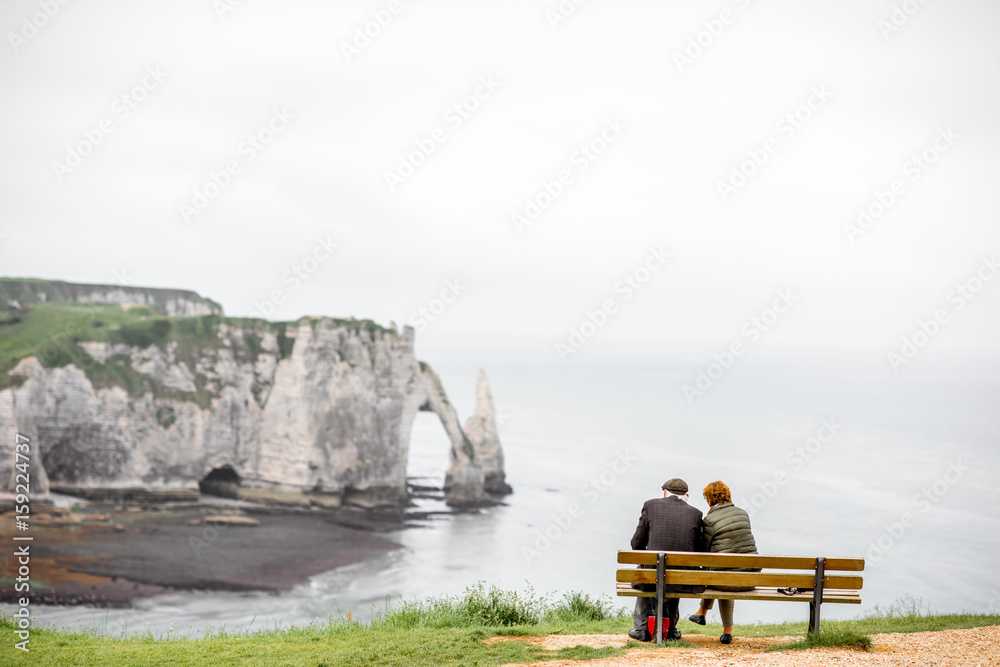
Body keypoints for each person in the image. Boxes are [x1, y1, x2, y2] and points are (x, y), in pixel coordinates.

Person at [628, 477, 705, 642]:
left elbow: (636, 544)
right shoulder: (696, 513)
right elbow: (699, 550)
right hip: (681, 578)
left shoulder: (650, 505)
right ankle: (670, 629)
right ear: (686, 496)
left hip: (652, 576)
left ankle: (642, 628)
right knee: (676, 572)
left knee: (646, 571)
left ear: (664, 493)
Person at [686, 480, 759, 645]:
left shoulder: (709, 520)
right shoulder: (743, 514)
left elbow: (704, 553)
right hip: (751, 578)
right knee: (726, 573)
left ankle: (702, 611)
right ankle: (726, 631)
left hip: (725, 581)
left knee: (720, 575)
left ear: (710, 501)